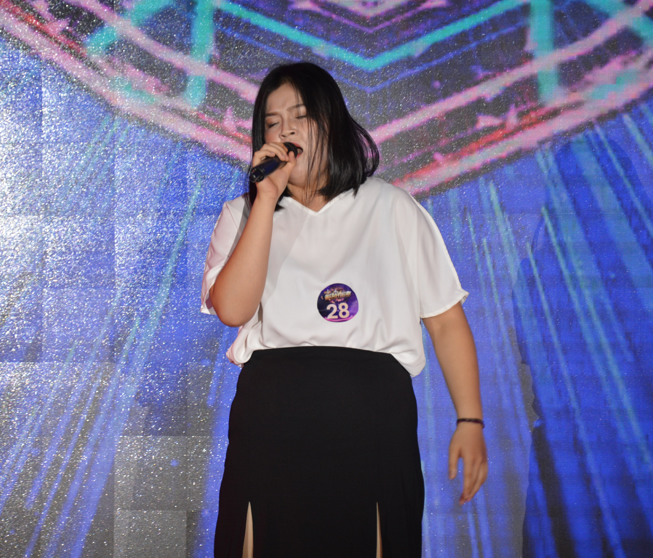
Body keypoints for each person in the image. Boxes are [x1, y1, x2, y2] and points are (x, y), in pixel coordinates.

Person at [201, 62, 487, 558]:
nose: (285, 130)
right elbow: (232, 309)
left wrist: (470, 421)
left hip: (371, 418)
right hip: (273, 419)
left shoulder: (392, 207)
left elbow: (445, 321)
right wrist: (265, 201)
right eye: (272, 122)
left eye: (300, 116)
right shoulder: (243, 214)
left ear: (331, 123)